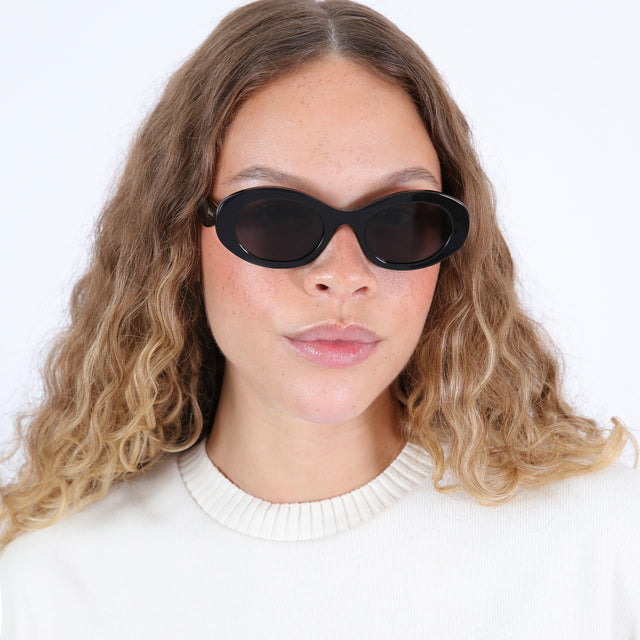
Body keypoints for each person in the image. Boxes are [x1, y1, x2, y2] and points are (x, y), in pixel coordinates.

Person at [0, 0, 638, 637]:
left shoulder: (605, 546)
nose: (343, 274)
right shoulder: (51, 591)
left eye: (399, 218)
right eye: (276, 214)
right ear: (178, 240)